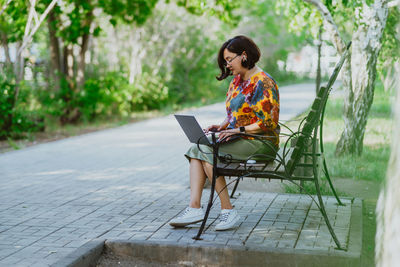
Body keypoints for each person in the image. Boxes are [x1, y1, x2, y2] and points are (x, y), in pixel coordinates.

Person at [169, 35, 280, 231]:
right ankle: (194, 208)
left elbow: (268, 123)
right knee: (198, 147)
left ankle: (228, 210)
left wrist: (238, 130)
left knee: (207, 151)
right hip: (242, 137)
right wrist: (221, 126)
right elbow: (235, 113)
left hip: (261, 142)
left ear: (244, 56)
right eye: (225, 61)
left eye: (229, 59)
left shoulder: (263, 82)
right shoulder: (237, 81)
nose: (227, 65)